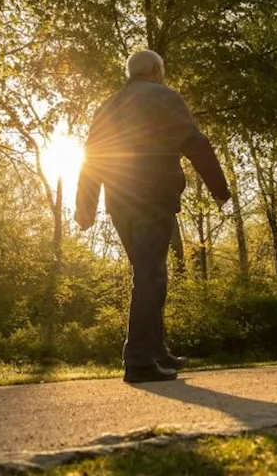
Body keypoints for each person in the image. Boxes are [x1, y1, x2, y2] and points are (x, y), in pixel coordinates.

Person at [74, 49, 231, 383]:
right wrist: (219, 189)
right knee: (150, 276)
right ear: (157, 70)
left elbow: (92, 158)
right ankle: (139, 361)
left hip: (120, 202)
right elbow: (195, 143)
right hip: (152, 199)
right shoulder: (163, 96)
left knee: (148, 273)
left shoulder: (108, 105)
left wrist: (85, 206)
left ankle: (158, 352)